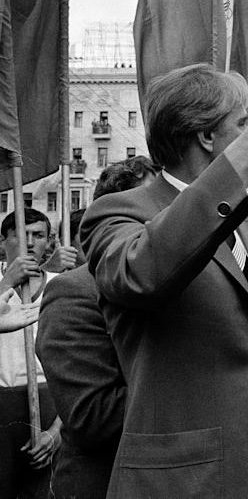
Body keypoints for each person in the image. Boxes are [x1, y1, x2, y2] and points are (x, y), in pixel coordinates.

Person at [80, 64, 248, 498]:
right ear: (206, 136)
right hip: (193, 483)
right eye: (242, 123)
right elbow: (143, 274)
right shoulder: (118, 213)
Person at [35, 156, 158, 499]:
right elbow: (90, 417)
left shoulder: (174, 284)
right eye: (156, 202)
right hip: (106, 484)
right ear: (116, 214)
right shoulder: (74, 290)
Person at [0, 208, 63, 499]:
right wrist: (7, 283)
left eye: (37, 235)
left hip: (50, 401)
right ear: (3, 241)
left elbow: (74, 367)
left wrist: (57, 431)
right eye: (20, 235)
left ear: (48, 243)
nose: (29, 242)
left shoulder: (62, 286)